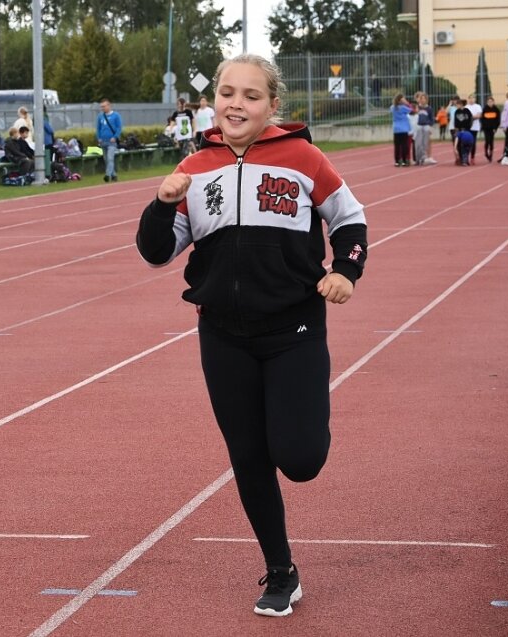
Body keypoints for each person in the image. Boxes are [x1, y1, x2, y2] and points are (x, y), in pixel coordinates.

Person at [136, 53, 367, 619]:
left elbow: (350, 220)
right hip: (223, 335)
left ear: (272, 106)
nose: (236, 103)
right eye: (226, 92)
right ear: (213, 99)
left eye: (251, 95)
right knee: (248, 458)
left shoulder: (303, 158)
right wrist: (161, 205)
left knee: (301, 457)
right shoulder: (196, 167)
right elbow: (157, 252)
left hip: (294, 328)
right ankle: (281, 570)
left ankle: (300, 422)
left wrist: (345, 270)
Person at [96, 98, 122, 183]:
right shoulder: (100, 116)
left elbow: (119, 127)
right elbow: (98, 128)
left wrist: (115, 136)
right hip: (103, 141)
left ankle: (107, 175)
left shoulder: (116, 115)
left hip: (112, 142)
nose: (102, 108)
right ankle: (114, 175)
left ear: (109, 105)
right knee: (106, 159)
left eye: (104, 106)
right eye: (101, 107)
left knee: (110, 158)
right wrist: (99, 137)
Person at [390, 93, 413, 166]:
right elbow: (411, 110)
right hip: (403, 128)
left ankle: (397, 161)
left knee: (397, 145)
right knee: (404, 145)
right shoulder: (403, 107)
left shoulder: (393, 107)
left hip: (396, 129)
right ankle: (403, 160)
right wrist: (407, 103)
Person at [414, 93, 436, 165]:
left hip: (426, 126)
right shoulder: (417, 107)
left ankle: (423, 158)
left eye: (424, 99)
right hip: (419, 126)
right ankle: (418, 158)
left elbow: (432, 118)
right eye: (421, 98)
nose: (423, 100)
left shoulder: (429, 108)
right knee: (418, 143)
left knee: (424, 143)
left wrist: (431, 127)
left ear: (426, 100)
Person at [452, 97, 473, 164]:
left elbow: (470, 119)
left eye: (457, 104)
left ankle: (466, 158)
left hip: (466, 130)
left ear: (461, 104)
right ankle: (461, 158)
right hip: (459, 130)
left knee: (466, 144)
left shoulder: (467, 111)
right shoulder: (456, 112)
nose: (456, 106)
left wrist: (469, 127)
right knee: (459, 145)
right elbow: (455, 121)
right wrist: (456, 129)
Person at [480, 96, 500, 163]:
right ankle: (486, 153)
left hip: (493, 128)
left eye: (491, 102)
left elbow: (498, 120)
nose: (490, 103)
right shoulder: (485, 109)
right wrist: (483, 127)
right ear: (487, 102)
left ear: (493, 102)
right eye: (489, 102)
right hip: (486, 128)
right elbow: (482, 119)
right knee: (487, 141)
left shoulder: (496, 109)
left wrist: (495, 128)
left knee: (491, 142)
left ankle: (491, 154)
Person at [465, 94, 482, 164]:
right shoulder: (466, 107)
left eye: (473, 98)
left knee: (473, 142)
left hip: (475, 127)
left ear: (475, 99)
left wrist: (471, 117)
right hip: (467, 127)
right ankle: (466, 157)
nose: (471, 100)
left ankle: (472, 157)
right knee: (467, 142)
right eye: (470, 98)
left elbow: (479, 115)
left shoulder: (478, 106)